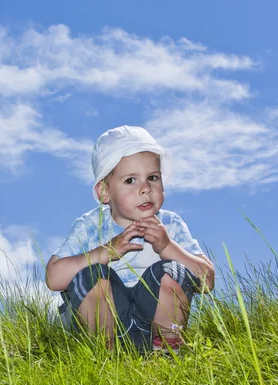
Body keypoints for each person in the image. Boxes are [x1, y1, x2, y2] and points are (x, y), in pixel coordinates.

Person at [45, 125, 215, 353]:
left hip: (151, 322)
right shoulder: (90, 226)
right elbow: (54, 278)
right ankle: (104, 351)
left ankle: (166, 347)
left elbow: (207, 281)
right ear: (104, 192)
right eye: (130, 181)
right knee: (94, 276)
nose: (145, 189)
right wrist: (105, 252)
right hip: (107, 322)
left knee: (169, 272)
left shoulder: (170, 224)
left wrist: (167, 246)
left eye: (153, 177)